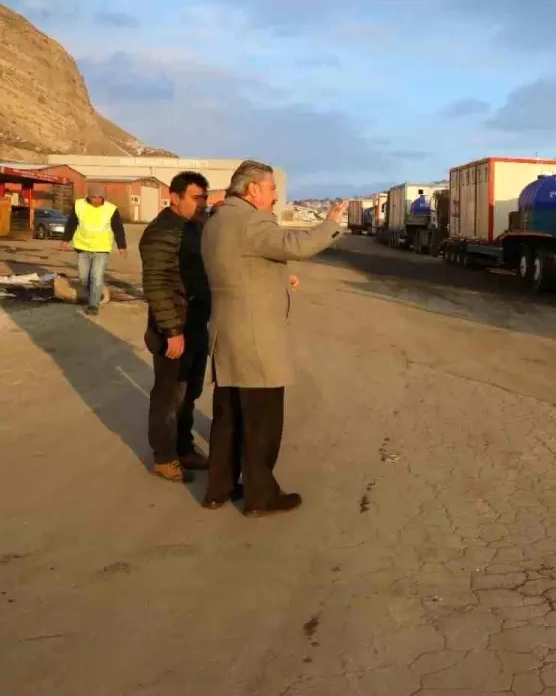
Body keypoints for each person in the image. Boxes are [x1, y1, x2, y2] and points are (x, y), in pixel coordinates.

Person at [200, 160, 346, 516]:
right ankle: (260, 497)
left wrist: (279, 280)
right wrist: (330, 223)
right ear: (252, 190)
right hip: (255, 338)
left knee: (228, 416)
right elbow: (295, 245)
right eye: (270, 188)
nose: (275, 195)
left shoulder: (217, 220)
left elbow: (242, 267)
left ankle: (218, 489)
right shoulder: (252, 220)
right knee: (262, 421)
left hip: (226, 331)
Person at [140, 171, 213, 484]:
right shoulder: (161, 232)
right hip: (175, 327)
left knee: (190, 392)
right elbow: (156, 284)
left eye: (204, 198)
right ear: (175, 196)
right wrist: (172, 331)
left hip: (196, 321)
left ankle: (183, 448)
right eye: (196, 198)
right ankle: (164, 457)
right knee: (169, 395)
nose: (202, 204)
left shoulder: (193, 226)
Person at [61, 189, 127, 315]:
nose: (96, 200)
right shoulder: (79, 205)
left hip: (101, 249)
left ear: (103, 197)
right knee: (83, 278)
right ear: (89, 196)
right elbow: (71, 223)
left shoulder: (111, 209)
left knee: (96, 277)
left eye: (99, 197)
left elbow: (118, 228)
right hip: (83, 248)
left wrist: (122, 246)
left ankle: (93, 305)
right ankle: (97, 292)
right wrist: (65, 239)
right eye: (94, 197)